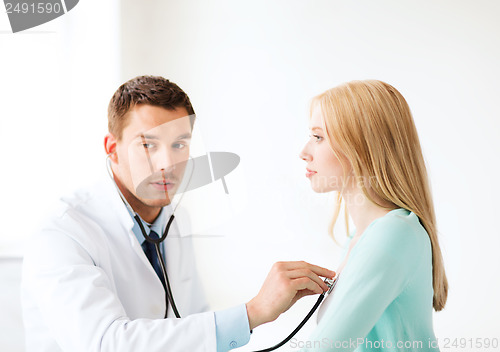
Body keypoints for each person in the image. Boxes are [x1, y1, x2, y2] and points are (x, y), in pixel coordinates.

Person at [21, 75, 336, 352]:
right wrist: (253, 312)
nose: (166, 165)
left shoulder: (172, 219)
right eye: (148, 145)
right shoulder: (62, 233)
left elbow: (191, 318)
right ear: (112, 148)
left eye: (179, 144)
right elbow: (107, 344)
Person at [297, 80, 448, 351]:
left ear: (361, 147)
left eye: (318, 137)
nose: (304, 152)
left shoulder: (394, 234)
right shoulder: (359, 238)